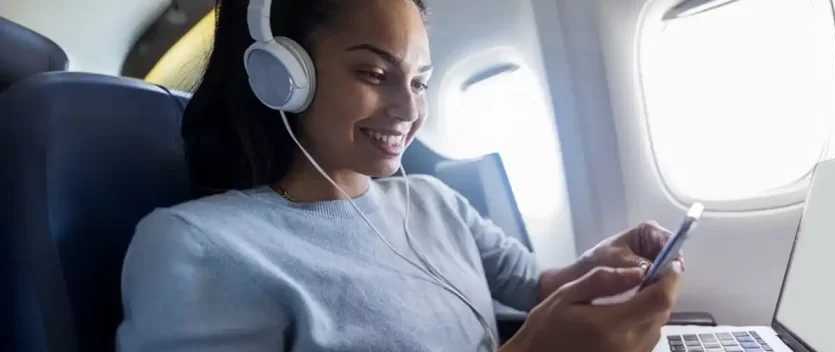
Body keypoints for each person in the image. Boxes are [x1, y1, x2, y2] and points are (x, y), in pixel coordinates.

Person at [115, 0, 685, 351]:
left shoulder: (434, 201)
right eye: (373, 72)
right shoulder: (196, 246)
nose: (408, 110)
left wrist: (598, 265)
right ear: (282, 76)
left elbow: (535, 286)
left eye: (419, 82)